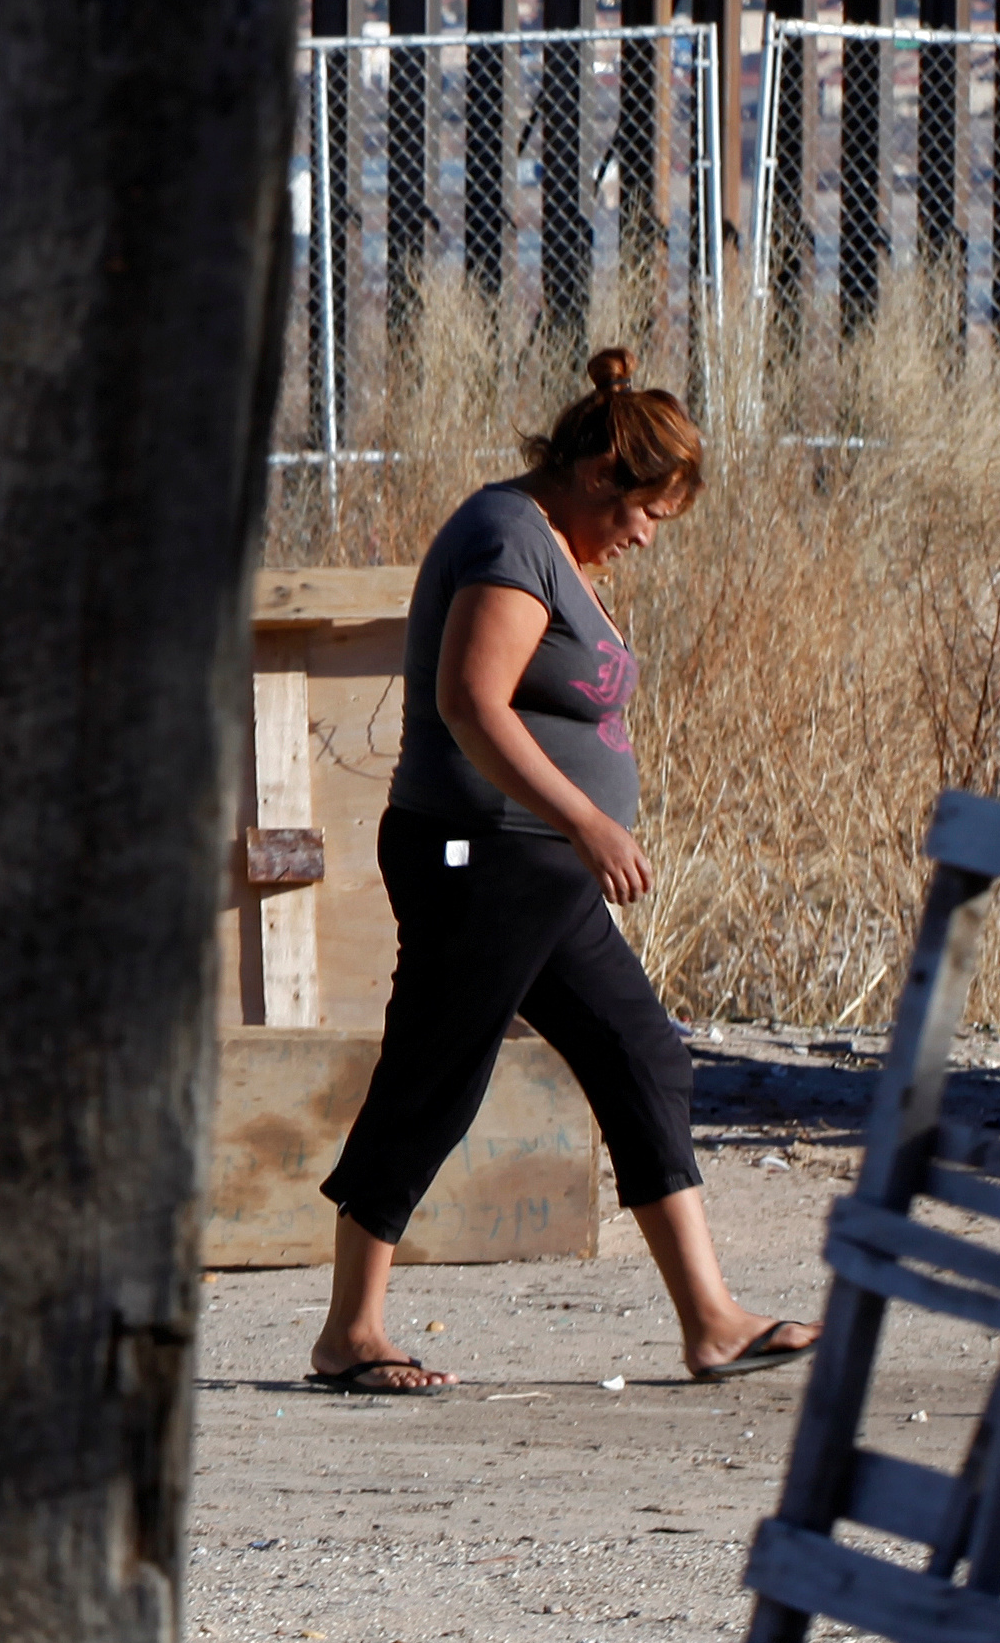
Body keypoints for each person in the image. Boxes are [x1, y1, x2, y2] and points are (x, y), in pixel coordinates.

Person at [305, 349, 813, 1395]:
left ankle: (710, 1320)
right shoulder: (506, 537)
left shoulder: (555, 547)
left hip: (539, 872)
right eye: (645, 513)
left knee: (643, 1055)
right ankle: (350, 1329)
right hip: (478, 855)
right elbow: (469, 698)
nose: (643, 536)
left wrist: (578, 831)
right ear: (596, 472)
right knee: (435, 1074)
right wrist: (585, 817)